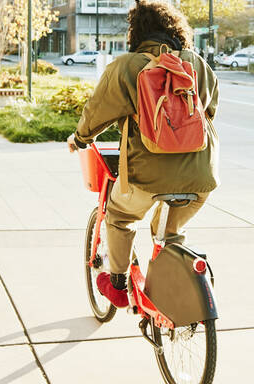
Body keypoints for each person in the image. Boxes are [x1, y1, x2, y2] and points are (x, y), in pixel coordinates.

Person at [66, 0, 219, 307]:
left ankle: (118, 285)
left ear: (137, 33)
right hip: (201, 177)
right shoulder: (197, 63)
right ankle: (178, 277)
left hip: (145, 179)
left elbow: (96, 113)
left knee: (120, 216)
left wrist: (80, 139)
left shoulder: (127, 67)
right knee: (169, 232)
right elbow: (210, 110)